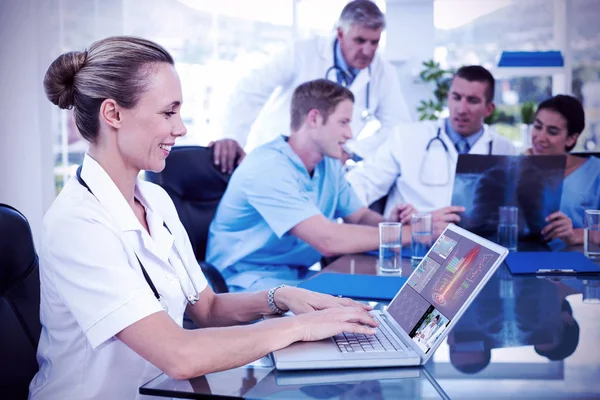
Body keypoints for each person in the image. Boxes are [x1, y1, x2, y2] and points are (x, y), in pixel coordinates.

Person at [29, 36, 380, 400]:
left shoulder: (155, 200)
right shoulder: (79, 224)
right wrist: (303, 327)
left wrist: (282, 297)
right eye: (168, 112)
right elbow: (178, 355)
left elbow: (207, 308)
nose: (180, 128)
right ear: (113, 114)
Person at [206, 79, 460, 292]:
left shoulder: (329, 165)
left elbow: (359, 216)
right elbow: (327, 239)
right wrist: (412, 234)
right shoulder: (267, 167)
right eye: (344, 122)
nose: (350, 134)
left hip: (297, 278)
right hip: (243, 283)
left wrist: (397, 224)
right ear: (314, 118)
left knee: (389, 306)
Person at [214, 0, 411, 168]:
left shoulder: (383, 72)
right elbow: (250, 90)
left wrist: (352, 151)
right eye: (360, 40)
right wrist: (233, 136)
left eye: (374, 42)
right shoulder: (301, 53)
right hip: (275, 157)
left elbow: (398, 125)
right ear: (340, 33)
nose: (367, 51)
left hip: (325, 166)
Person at [346, 65, 517, 218]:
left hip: (477, 244)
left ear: (489, 109)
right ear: (447, 97)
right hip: (413, 242)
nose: (461, 109)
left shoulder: (505, 150)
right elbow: (364, 182)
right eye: (456, 97)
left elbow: (518, 207)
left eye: (472, 101)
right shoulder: (407, 137)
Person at [526, 95, 600, 246]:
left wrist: (576, 234)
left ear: (571, 139)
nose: (540, 137)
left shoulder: (595, 172)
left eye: (552, 132)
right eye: (538, 127)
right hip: (521, 260)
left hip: (576, 262)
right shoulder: (518, 168)